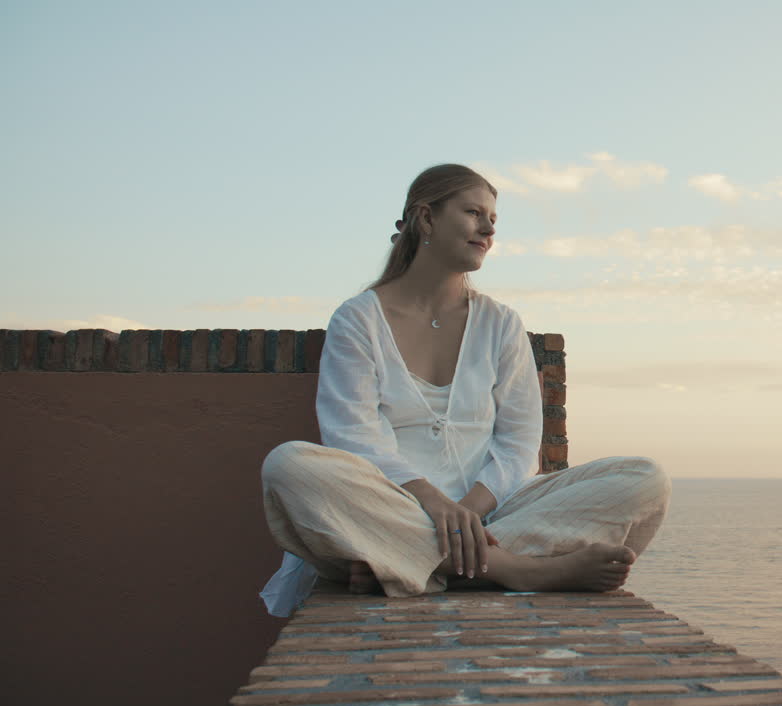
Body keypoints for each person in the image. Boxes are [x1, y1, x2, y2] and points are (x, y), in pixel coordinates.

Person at [258, 164, 670, 617]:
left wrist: (469, 511)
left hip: (495, 513)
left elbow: (518, 445)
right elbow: (352, 436)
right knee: (288, 466)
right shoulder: (359, 320)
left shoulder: (501, 323)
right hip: (394, 505)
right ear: (426, 218)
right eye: (474, 212)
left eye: (493, 218)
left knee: (645, 479)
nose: (489, 228)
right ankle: (515, 569)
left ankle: (406, 563)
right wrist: (434, 504)